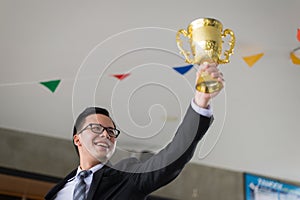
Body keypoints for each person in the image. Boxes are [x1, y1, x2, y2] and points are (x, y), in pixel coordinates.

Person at [45, 62, 224, 200]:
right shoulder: (57, 191)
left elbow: (170, 158)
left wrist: (201, 101)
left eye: (111, 131)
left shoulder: (126, 177)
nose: (106, 134)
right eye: (97, 128)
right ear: (78, 139)